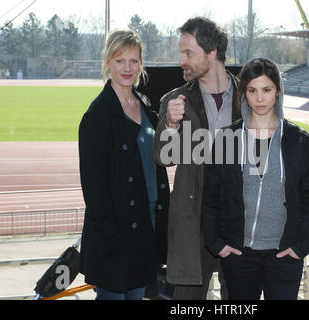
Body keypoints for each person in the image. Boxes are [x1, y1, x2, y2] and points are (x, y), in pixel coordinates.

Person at [202, 57, 309, 300]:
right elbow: (211, 195)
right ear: (244, 93)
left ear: (278, 91)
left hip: (285, 255)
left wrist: (301, 246)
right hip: (239, 255)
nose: (260, 98)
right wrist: (217, 244)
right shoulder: (227, 139)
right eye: (252, 90)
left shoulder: (298, 140)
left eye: (267, 89)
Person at [152, 17, 241, 300]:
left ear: (212, 52)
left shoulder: (250, 98)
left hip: (239, 224)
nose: (181, 61)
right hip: (194, 227)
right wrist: (170, 124)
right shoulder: (175, 100)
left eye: (188, 53)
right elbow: (162, 158)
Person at [78, 29, 169, 300]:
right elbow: (94, 189)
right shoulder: (97, 115)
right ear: (108, 62)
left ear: (141, 63)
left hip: (147, 226)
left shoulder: (146, 106)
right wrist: (111, 236)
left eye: (134, 60)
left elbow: (162, 159)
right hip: (117, 235)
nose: (128, 68)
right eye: (120, 61)